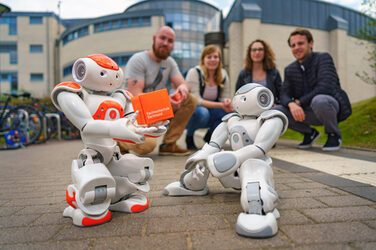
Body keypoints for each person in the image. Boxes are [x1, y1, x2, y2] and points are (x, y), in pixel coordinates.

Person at [118, 26, 197, 156]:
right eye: (162, 38)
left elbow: (183, 84)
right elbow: (136, 96)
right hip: (134, 113)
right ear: (154, 39)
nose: (165, 43)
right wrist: (165, 102)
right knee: (147, 145)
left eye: (170, 41)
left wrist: (183, 87)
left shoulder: (170, 62)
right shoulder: (138, 60)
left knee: (190, 99)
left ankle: (168, 144)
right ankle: (118, 141)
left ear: (173, 45)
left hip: (155, 110)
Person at [274, 28, 351, 151]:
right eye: (293, 45)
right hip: (306, 112)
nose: (296, 47)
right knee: (277, 111)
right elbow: (284, 94)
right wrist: (291, 104)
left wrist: (298, 102)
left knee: (319, 100)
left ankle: (333, 134)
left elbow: (325, 87)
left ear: (311, 43)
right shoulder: (290, 69)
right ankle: (309, 133)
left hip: (328, 107)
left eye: (300, 43)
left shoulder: (323, 58)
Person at [184, 45, 233, 150]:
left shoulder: (223, 74)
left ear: (219, 60)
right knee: (202, 113)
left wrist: (226, 102)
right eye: (209, 57)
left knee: (231, 114)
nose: (212, 60)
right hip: (195, 109)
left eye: (215, 57)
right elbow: (197, 100)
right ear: (203, 59)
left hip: (213, 109)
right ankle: (189, 136)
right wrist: (221, 105)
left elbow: (224, 97)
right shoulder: (194, 72)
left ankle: (210, 136)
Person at [235, 39, 282, 105]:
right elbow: (237, 96)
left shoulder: (274, 73)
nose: (257, 52)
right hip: (249, 111)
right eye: (254, 50)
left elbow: (281, 95)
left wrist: (276, 106)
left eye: (260, 49)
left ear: (265, 52)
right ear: (250, 53)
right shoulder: (243, 74)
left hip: (270, 111)